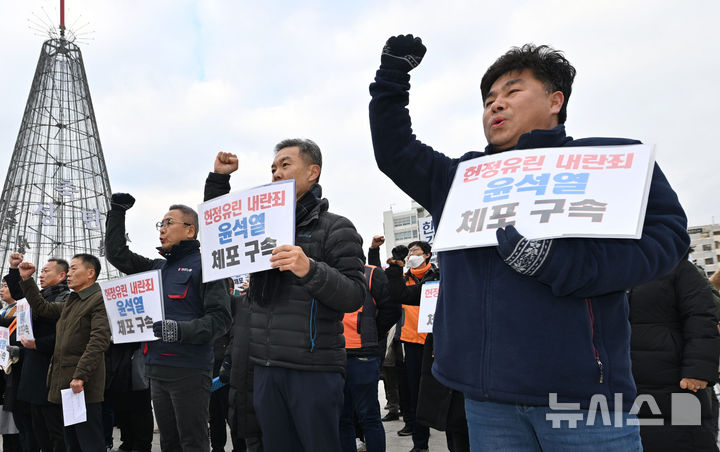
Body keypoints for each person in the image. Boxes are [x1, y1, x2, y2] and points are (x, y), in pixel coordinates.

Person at [369, 36, 690, 451]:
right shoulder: (462, 178)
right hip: (487, 401)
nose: (495, 104)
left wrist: (564, 264)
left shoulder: (609, 161)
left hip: (582, 400)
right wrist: (391, 79)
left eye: (512, 91)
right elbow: (394, 151)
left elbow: (668, 238)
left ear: (556, 101)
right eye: (488, 99)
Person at [205, 143, 367, 452]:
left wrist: (310, 269)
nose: (276, 173)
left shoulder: (335, 227)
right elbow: (220, 230)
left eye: (285, 165)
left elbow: (354, 296)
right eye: (273, 168)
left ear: (312, 172)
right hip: (264, 367)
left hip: (313, 370)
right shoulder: (262, 224)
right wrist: (219, 180)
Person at [105, 198, 232, 452]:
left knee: (192, 442)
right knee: (169, 443)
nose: (162, 229)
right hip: (157, 369)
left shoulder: (207, 266)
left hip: (189, 372)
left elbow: (220, 320)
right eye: (160, 224)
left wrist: (179, 330)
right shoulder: (158, 268)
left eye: (168, 223)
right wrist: (117, 213)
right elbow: (118, 255)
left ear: (190, 230)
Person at [17, 254, 111, 452]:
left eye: (74, 269)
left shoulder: (98, 300)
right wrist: (27, 280)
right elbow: (42, 307)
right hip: (65, 384)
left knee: (89, 441)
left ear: (91, 273)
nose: (69, 274)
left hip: (82, 385)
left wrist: (80, 376)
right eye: (69, 270)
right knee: (72, 442)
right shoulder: (72, 301)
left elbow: (98, 341)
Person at [629, 255, 720, 451]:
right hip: (622, 383)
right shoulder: (604, 268)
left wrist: (698, 369)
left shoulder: (677, 267)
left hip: (677, 381)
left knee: (685, 438)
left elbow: (701, 316)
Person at [4, 254, 69, 452]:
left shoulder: (65, 299)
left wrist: (38, 344)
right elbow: (21, 298)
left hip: (50, 371)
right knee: (37, 429)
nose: (41, 275)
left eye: (46, 271)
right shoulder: (41, 295)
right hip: (31, 372)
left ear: (61, 276)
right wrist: (15, 270)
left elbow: (64, 336)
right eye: (41, 271)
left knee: (54, 430)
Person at [339, 239, 399, 452]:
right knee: (342, 418)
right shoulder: (327, 273)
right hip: (333, 354)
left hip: (363, 354)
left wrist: (372, 332)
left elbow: (391, 309)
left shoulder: (371, 273)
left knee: (368, 415)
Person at [384, 241, 439, 452]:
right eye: (409, 252)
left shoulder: (438, 276)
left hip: (439, 342)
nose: (411, 255)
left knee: (447, 393)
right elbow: (396, 295)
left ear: (427, 254)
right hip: (413, 344)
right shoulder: (404, 279)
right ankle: (420, 443)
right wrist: (396, 266)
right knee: (415, 394)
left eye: (415, 251)